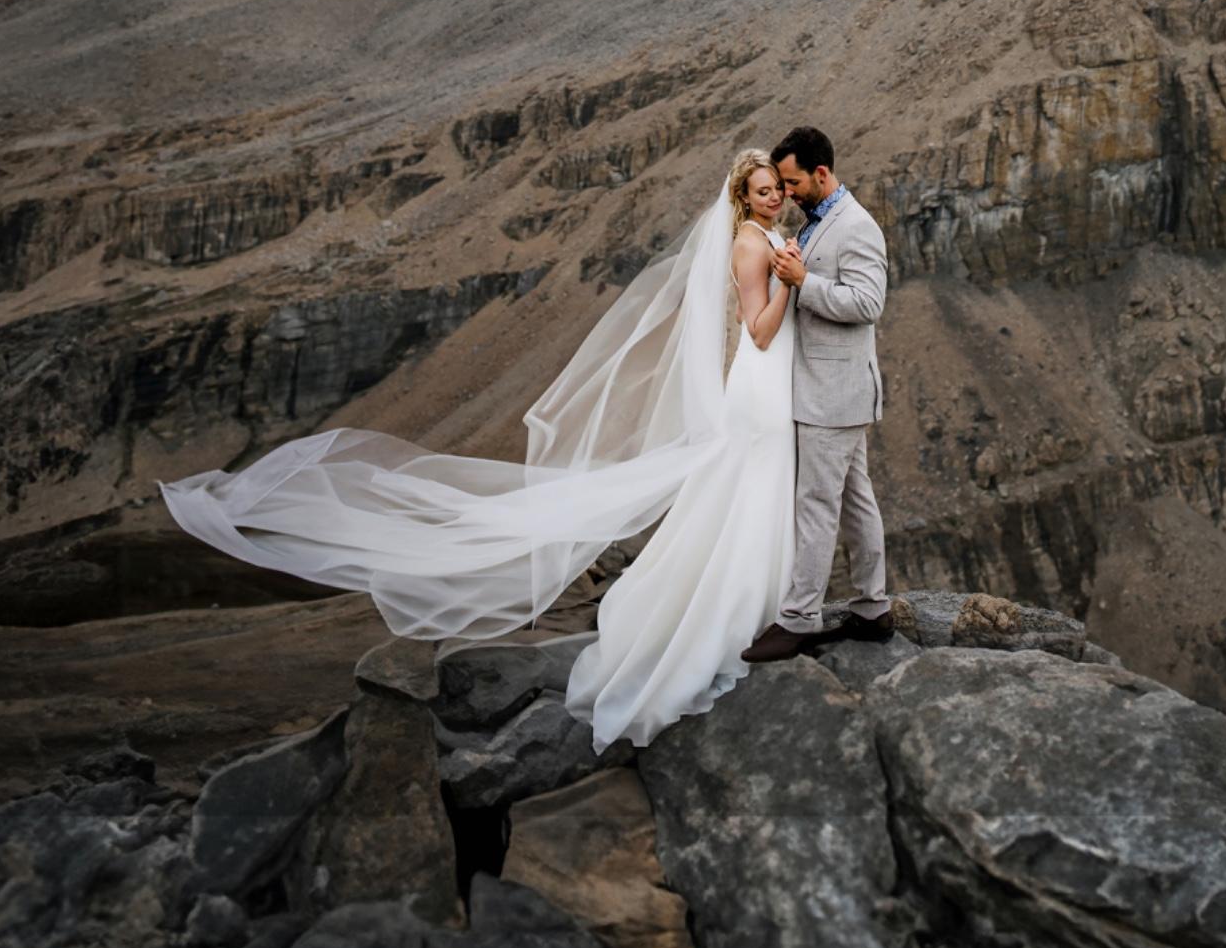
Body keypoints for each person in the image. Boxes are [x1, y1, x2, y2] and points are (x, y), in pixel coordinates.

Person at [162, 144, 813, 749]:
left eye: (774, 190)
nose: (771, 198)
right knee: (748, 499)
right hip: (756, 393)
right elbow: (757, 332)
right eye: (759, 191)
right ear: (739, 196)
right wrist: (789, 279)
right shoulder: (753, 249)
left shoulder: (756, 238)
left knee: (742, 501)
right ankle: (725, 627)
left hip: (758, 391)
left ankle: (749, 613)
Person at [740, 126, 893, 662]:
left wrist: (805, 281)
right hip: (831, 390)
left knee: (817, 504)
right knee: (856, 501)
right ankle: (874, 607)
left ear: (821, 174)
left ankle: (799, 617)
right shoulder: (815, 221)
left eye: (793, 181)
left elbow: (868, 303)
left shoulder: (856, 227)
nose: (786, 192)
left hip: (835, 393)